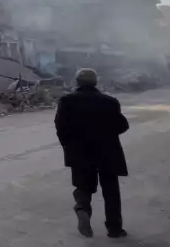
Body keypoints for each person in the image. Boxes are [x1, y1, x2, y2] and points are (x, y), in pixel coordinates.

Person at [55, 68, 130, 238]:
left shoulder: (67, 101)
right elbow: (123, 126)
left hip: (80, 152)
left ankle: (83, 210)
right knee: (111, 191)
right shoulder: (110, 102)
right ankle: (115, 228)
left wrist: (69, 146)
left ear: (77, 82)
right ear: (95, 82)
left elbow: (61, 127)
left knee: (84, 187)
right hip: (108, 152)